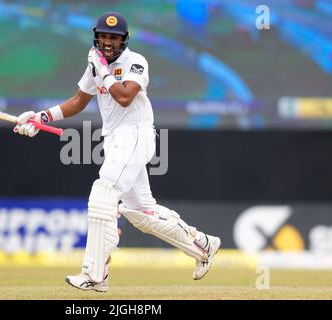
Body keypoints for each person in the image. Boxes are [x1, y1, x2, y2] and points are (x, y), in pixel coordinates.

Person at [14, 12, 221, 292]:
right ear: (96, 36)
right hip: (114, 139)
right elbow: (78, 101)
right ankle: (203, 245)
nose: (108, 42)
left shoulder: (136, 63)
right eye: (103, 36)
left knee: (104, 192)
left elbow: (124, 97)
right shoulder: (95, 65)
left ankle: (95, 274)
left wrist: (103, 72)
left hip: (135, 133)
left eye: (114, 37)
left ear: (124, 40)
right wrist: (42, 117)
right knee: (142, 214)